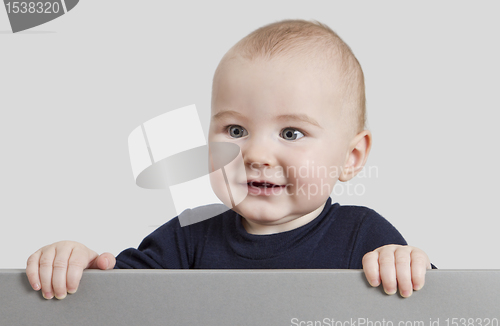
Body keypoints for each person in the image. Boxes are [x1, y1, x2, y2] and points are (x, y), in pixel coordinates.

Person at [26, 19, 432, 301]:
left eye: (291, 133)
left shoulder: (363, 236)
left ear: (352, 156)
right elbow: (117, 303)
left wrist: (407, 267)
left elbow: (436, 309)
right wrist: (78, 267)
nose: (254, 154)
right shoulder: (189, 236)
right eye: (235, 131)